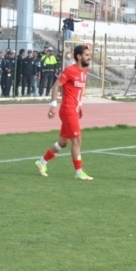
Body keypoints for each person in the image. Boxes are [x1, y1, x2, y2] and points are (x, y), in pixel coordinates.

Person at [36, 44, 93, 181]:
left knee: (63, 143)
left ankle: (41, 162)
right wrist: (53, 106)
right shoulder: (70, 71)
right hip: (67, 110)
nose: (89, 57)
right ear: (79, 56)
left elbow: (79, 91)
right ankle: (79, 172)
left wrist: (79, 105)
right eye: (86, 55)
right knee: (77, 140)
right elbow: (56, 86)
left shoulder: (84, 71)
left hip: (74, 109)